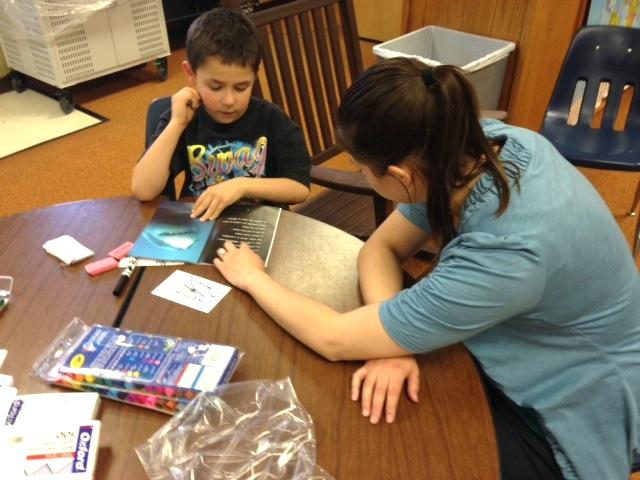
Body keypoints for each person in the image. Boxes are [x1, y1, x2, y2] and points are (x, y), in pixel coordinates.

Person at [212, 57, 640, 480]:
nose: (359, 173)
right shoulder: (475, 145)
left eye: (360, 168)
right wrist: (393, 339)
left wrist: (254, 277)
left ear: (400, 176)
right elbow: (381, 247)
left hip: (573, 412)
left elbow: (333, 338)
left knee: (394, 443)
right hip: (527, 337)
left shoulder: (506, 254)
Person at [131, 8, 311, 220]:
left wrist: (242, 186)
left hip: (260, 226)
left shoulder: (272, 119)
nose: (229, 101)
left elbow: (299, 188)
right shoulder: (184, 119)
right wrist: (177, 123)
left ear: (255, 74)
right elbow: (143, 189)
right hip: (201, 226)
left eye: (241, 87)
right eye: (215, 87)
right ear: (191, 73)